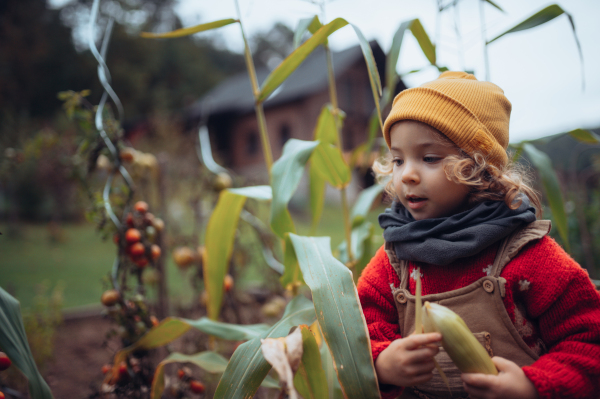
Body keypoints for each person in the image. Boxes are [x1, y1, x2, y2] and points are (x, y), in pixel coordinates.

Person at [357, 71, 600, 399]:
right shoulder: (394, 261)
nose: (407, 175)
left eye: (429, 158)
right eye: (398, 160)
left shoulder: (528, 256)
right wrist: (381, 364)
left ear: (479, 167)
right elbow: (356, 336)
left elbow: (588, 342)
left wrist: (533, 385)